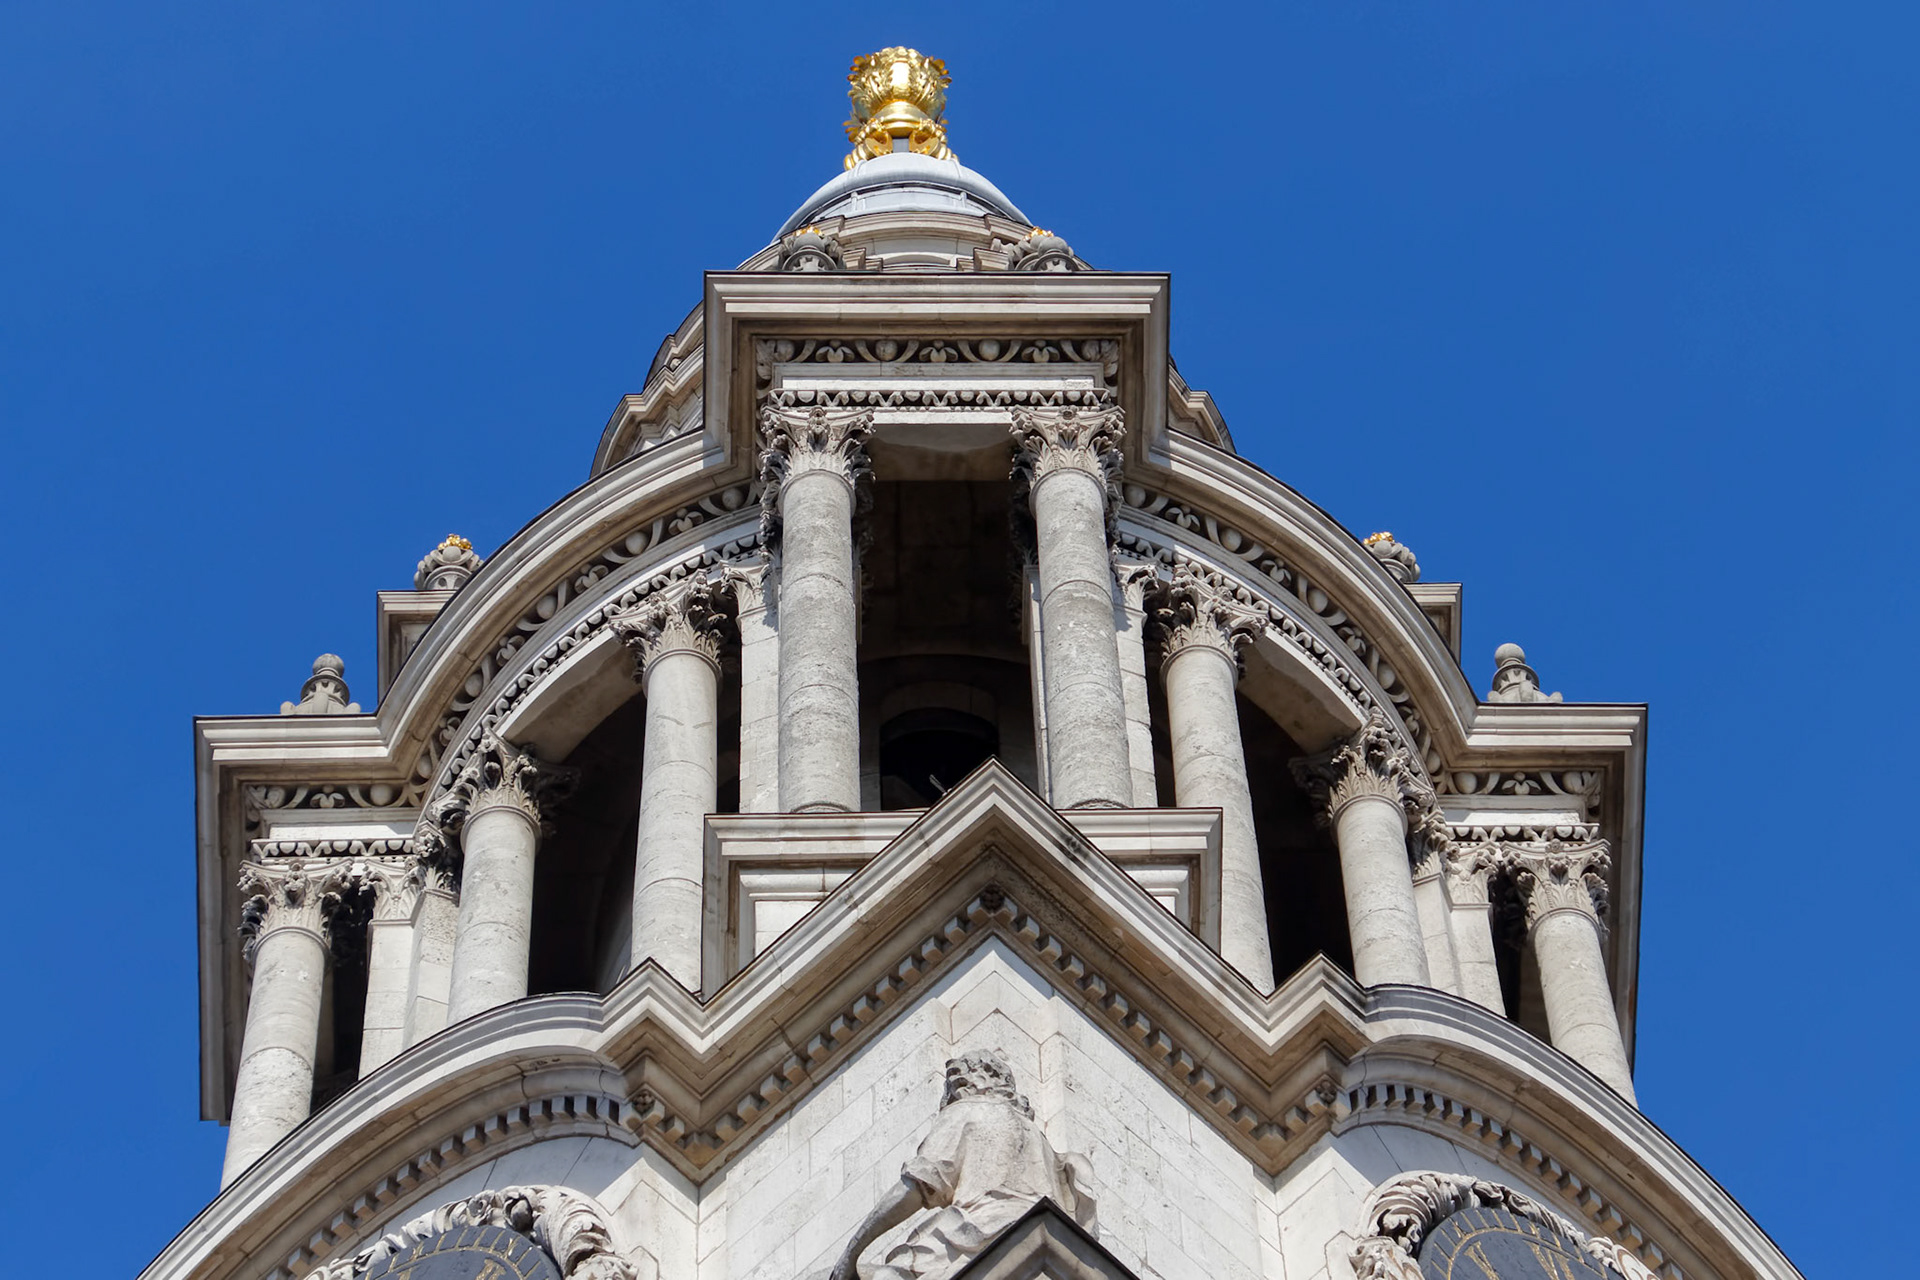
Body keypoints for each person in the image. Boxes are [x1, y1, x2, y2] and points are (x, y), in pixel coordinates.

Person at [825, 1051, 1096, 1280]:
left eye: (959, 1081)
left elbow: (915, 1187)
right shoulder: (1040, 1140)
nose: (956, 1089)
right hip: (1046, 1243)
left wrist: (852, 1250)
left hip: (977, 1235)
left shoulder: (966, 1110)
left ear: (979, 1080)